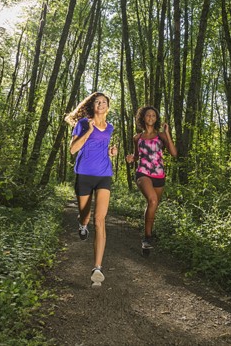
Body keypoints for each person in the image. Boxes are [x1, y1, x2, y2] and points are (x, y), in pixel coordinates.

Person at [65, 92, 117, 287]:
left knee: (100, 220)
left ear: (107, 106)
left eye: (104, 102)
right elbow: (72, 149)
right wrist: (88, 131)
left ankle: (97, 268)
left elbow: (103, 148)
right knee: (85, 216)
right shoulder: (83, 124)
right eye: (97, 101)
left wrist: (112, 152)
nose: (101, 104)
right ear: (92, 106)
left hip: (104, 174)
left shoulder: (110, 127)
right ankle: (82, 224)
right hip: (84, 174)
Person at [125, 106, 177, 250]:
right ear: (143, 118)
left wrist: (167, 134)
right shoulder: (137, 138)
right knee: (152, 199)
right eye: (148, 115)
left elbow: (174, 153)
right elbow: (136, 156)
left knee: (153, 204)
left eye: (154, 116)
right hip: (143, 172)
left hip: (159, 175)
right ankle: (147, 238)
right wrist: (131, 158)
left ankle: (147, 235)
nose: (151, 118)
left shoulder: (161, 135)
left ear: (156, 119)